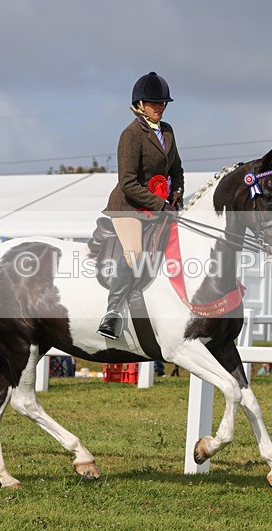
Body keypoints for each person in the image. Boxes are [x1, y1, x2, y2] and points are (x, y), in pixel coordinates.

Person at [99, 71, 184, 340]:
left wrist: (178, 192)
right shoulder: (131, 134)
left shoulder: (168, 132)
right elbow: (127, 182)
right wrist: (160, 204)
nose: (159, 107)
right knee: (135, 253)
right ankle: (111, 314)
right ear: (139, 104)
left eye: (162, 103)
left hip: (159, 205)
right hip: (129, 206)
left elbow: (177, 169)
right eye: (153, 103)